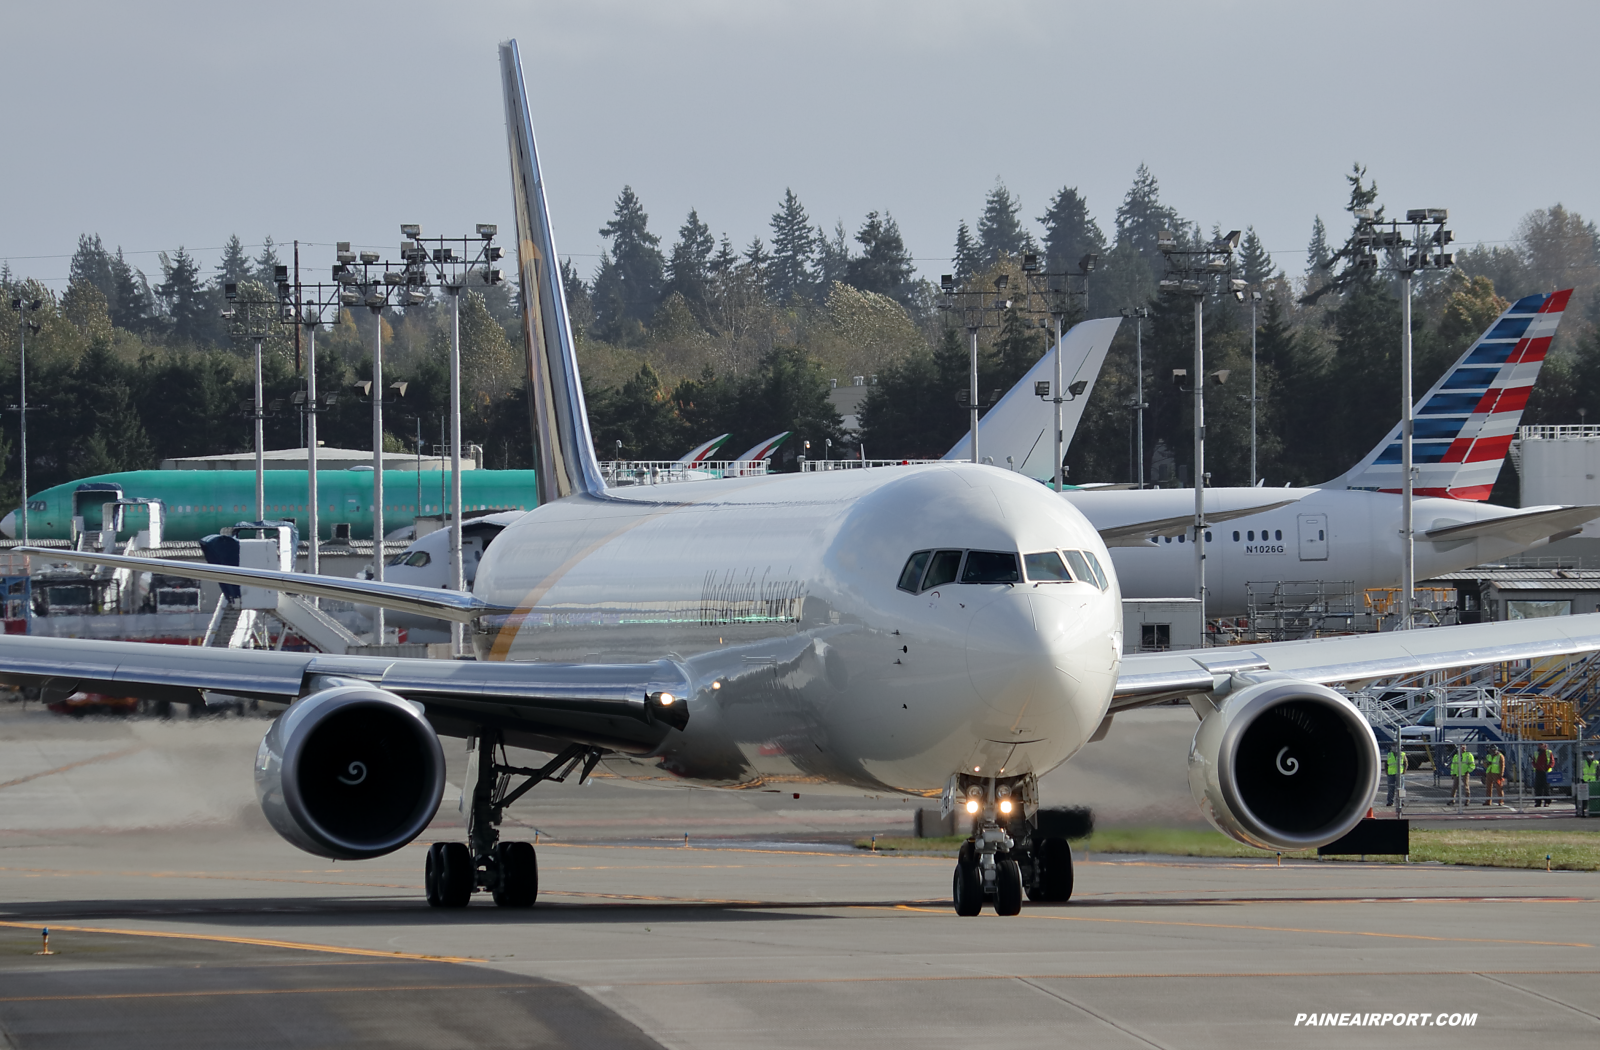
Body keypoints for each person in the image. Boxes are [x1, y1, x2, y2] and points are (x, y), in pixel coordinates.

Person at [1533, 742, 1556, 808]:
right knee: (1538, 788)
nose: (1539, 746)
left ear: (1545, 745)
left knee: (1546, 788)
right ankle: (1538, 802)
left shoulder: (1548, 752)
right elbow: (1534, 761)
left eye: (1541, 744)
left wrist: (1547, 767)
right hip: (1538, 772)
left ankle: (1547, 802)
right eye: (1539, 744)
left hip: (1546, 772)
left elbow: (1552, 761)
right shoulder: (1536, 753)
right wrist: (1536, 767)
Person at [1579, 749, 1597, 818]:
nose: (1590, 755)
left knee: (1594, 798)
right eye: (1589, 753)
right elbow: (1580, 771)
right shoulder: (1583, 762)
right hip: (1585, 781)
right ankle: (1583, 811)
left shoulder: (1596, 762)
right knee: (1584, 798)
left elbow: (1598, 773)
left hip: (1594, 782)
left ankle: (1594, 811)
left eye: (1591, 754)